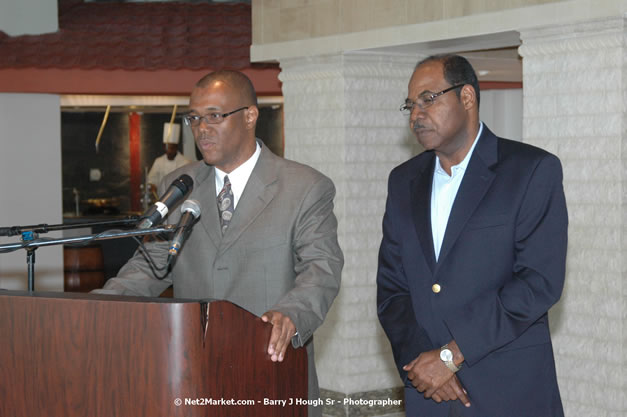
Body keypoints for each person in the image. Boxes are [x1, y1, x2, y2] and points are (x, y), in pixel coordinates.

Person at [95, 70, 343, 417]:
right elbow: (149, 267)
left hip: (271, 371)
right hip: (191, 374)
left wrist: (292, 314)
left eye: (214, 116)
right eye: (194, 118)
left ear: (250, 116)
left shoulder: (303, 187)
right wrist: (94, 308)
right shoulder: (180, 186)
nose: (201, 129)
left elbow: (322, 270)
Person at [376, 54, 568, 417]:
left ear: (467, 97)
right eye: (410, 105)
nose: (416, 115)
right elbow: (392, 289)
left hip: (508, 391)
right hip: (429, 393)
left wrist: (451, 354)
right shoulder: (403, 181)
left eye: (428, 99)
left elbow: (537, 282)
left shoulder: (530, 171)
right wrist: (425, 363)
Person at [146, 122, 192, 191]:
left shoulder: (185, 163)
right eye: (167, 148)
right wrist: (151, 185)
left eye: (171, 148)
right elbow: (151, 180)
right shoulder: (159, 161)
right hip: (161, 196)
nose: (169, 151)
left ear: (176, 147)